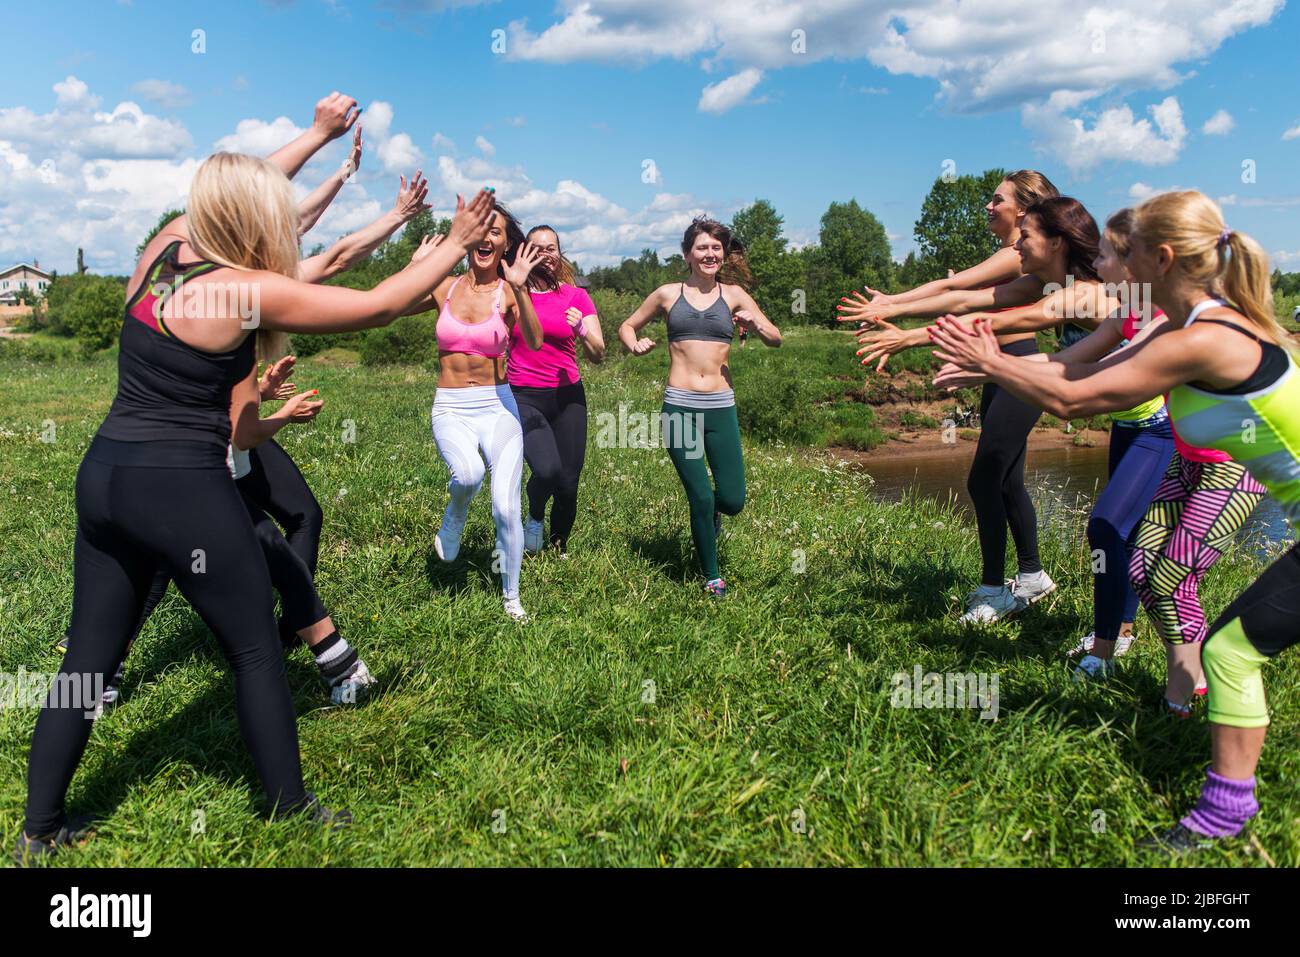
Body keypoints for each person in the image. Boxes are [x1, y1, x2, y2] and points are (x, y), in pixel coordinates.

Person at [17, 122, 498, 862]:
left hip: (104, 475)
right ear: (255, 217)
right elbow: (375, 306)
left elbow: (242, 189)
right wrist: (456, 239)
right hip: (177, 487)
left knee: (85, 663)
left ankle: (38, 830)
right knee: (252, 647)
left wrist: (313, 136)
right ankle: (289, 807)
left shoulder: (166, 247)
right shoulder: (243, 292)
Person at [928, 189, 1299, 852]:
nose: (1106, 261)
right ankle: (1200, 737)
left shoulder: (1205, 338)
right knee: (1213, 628)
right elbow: (1083, 368)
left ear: (1158, 257)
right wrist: (991, 365)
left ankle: (1224, 809)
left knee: (1232, 648)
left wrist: (990, 362)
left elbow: (1073, 401)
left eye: (1120, 252)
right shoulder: (1179, 326)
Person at [843, 196, 1115, 623]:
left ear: (1058, 242)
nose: (1017, 246)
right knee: (1114, 525)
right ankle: (1074, 607)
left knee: (1119, 527)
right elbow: (971, 303)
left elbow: (1001, 323)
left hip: (1165, 406)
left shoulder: (1080, 295)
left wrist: (907, 338)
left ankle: (1104, 629)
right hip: (1136, 409)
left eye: (1026, 236)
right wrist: (896, 309)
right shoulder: (1046, 283)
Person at [618, 218, 781, 598]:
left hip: (721, 408)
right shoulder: (667, 294)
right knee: (701, 496)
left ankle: (713, 521)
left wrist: (755, 323)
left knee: (732, 500)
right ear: (688, 253)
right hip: (679, 409)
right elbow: (627, 325)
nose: (710, 254)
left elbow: (776, 338)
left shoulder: (735, 295)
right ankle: (711, 577)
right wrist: (634, 344)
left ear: (723, 255)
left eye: (716, 248)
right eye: (702, 247)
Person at [403, 203, 545, 621]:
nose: (486, 238)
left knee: (506, 507)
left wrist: (520, 288)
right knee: (467, 476)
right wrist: (417, 269)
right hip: (451, 406)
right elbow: (387, 304)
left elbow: (534, 341)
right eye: (480, 229)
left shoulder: (509, 290)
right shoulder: (443, 286)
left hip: (497, 406)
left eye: (496, 232)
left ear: (505, 243)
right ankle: (456, 513)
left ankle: (512, 598)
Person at [508, 225, 605, 554]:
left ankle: (559, 545)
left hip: (568, 397)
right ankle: (535, 517)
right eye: (538, 248)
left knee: (568, 482)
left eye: (552, 248)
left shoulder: (576, 295)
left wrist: (582, 330)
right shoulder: (512, 293)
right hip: (523, 395)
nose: (546, 254)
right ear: (526, 252)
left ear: (559, 253)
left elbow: (598, 353)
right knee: (547, 471)